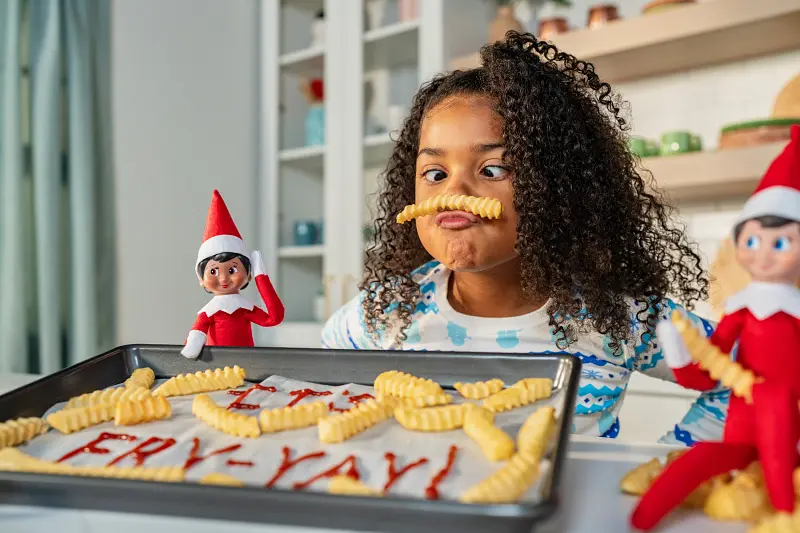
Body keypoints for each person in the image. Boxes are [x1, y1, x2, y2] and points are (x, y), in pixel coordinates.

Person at [321, 32, 728, 442]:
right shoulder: (387, 312)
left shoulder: (621, 317)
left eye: (494, 169)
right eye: (435, 174)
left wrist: (658, 468)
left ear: (558, 188)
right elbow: (319, 381)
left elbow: (755, 379)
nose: (453, 193)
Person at [631, 126, 800, 530]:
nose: (763, 255)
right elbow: (705, 376)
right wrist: (677, 350)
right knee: (696, 462)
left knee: (776, 413)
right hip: (740, 426)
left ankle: (784, 511)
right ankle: (639, 520)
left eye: (781, 243)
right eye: (753, 241)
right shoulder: (739, 314)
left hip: (787, 428)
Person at [181, 190, 284, 358]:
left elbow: (274, 317)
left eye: (232, 270)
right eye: (213, 271)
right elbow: (196, 335)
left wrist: (261, 277)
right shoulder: (209, 312)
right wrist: (193, 343)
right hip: (216, 368)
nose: (223, 278)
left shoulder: (244, 309)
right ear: (201, 279)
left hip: (247, 364)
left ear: (247, 273)